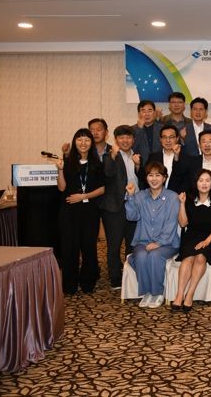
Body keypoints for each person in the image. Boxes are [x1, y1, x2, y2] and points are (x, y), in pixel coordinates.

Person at [55, 128, 105, 295]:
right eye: (79, 139)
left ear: (91, 143)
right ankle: (69, 284)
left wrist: (84, 196)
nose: (83, 143)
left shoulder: (97, 164)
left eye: (87, 140)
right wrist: (60, 170)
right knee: (69, 248)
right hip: (69, 212)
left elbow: (103, 188)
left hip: (90, 212)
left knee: (88, 247)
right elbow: (62, 188)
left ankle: (88, 282)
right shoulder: (68, 162)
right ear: (74, 142)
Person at [125, 162, 180, 309]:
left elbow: (171, 224)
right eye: (150, 175)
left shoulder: (172, 197)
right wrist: (130, 196)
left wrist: (159, 243)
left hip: (167, 243)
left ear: (164, 178)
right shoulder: (140, 196)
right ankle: (147, 292)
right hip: (143, 241)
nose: (154, 179)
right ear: (146, 178)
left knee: (155, 255)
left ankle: (157, 292)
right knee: (141, 255)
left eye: (158, 175)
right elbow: (131, 216)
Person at [172, 170, 211, 312]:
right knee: (188, 258)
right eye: (201, 180)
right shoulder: (189, 199)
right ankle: (179, 294)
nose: (204, 183)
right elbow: (183, 223)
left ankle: (190, 294)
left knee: (201, 257)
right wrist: (182, 204)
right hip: (191, 236)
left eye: (207, 180)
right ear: (196, 183)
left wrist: (206, 241)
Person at [102, 125, 141, 289]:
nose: (125, 140)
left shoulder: (138, 156)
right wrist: (112, 156)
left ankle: (130, 277)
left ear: (133, 139)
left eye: (128, 137)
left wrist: (138, 166)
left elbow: (144, 179)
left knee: (132, 244)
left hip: (134, 205)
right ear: (116, 139)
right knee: (114, 244)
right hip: (115, 207)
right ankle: (115, 278)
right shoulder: (109, 156)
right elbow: (107, 174)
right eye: (121, 137)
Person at [143, 125, 187, 193]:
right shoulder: (153, 157)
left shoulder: (186, 158)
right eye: (164, 137)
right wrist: (137, 166)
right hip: (156, 196)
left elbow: (185, 180)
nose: (168, 140)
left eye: (171, 137)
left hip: (178, 196)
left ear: (177, 138)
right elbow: (145, 176)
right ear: (160, 139)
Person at [132, 100, 163, 165]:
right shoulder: (132, 130)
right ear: (139, 114)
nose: (147, 114)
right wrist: (139, 129)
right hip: (140, 166)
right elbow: (132, 149)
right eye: (143, 111)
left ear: (154, 113)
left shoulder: (162, 128)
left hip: (160, 165)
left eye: (149, 110)